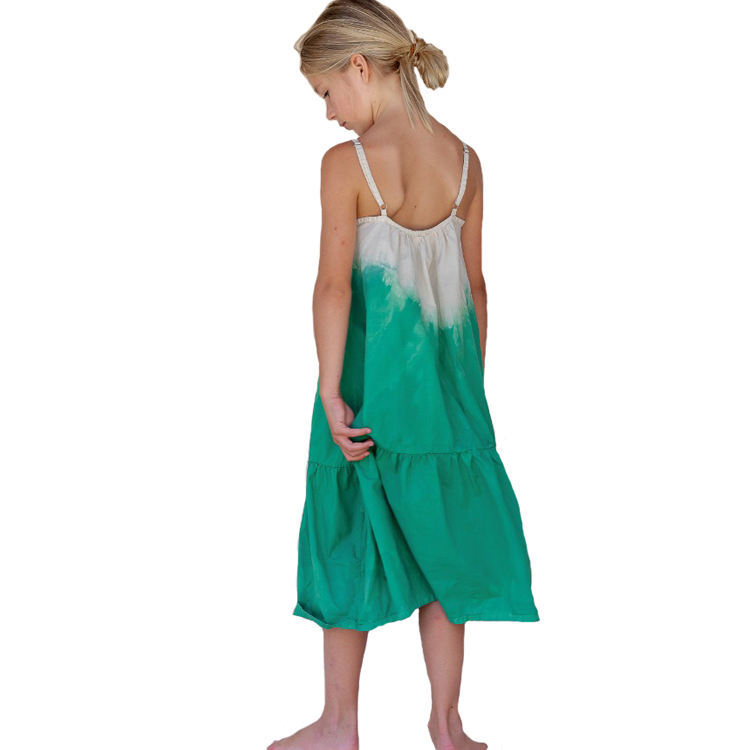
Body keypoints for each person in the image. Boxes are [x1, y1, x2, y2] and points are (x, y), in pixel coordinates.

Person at [269, 2, 540, 749]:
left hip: (366, 392)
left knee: (346, 534)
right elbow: (476, 289)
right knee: (443, 551)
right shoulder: (466, 163)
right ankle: (447, 725)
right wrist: (466, 392)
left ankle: (339, 723)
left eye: (327, 91)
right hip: (446, 401)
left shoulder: (347, 165)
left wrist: (330, 389)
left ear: (359, 67)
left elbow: (333, 287)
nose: (328, 113)